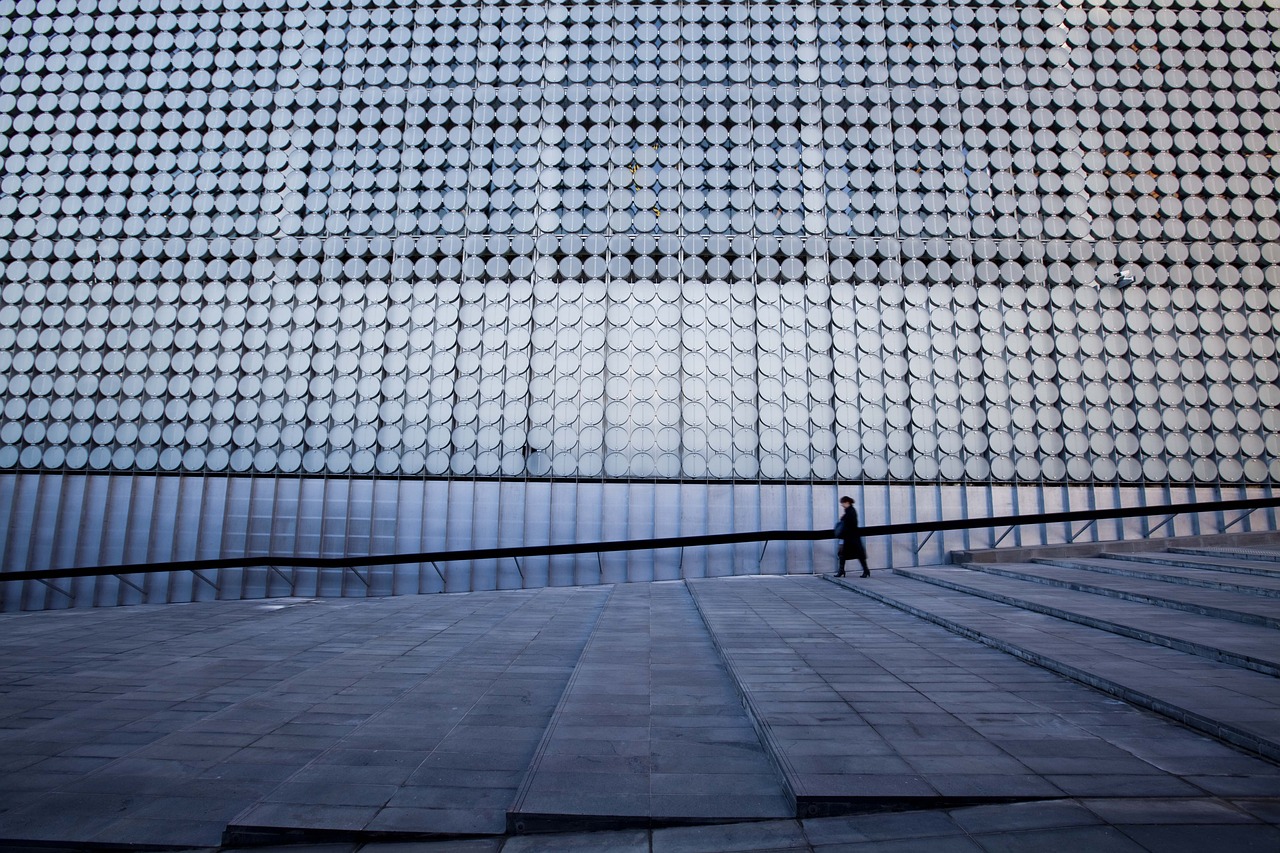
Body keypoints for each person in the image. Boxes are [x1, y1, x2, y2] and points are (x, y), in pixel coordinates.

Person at [834, 495, 870, 578]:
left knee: (847, 554)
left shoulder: (850, 512)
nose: (842, 505)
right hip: (851, 538)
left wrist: (843, 520)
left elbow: (850, 525)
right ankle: (865, 570)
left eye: (842, 503)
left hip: (851, 538)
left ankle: (842, 571)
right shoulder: (850, 511)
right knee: (848, 554)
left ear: (847, 502)